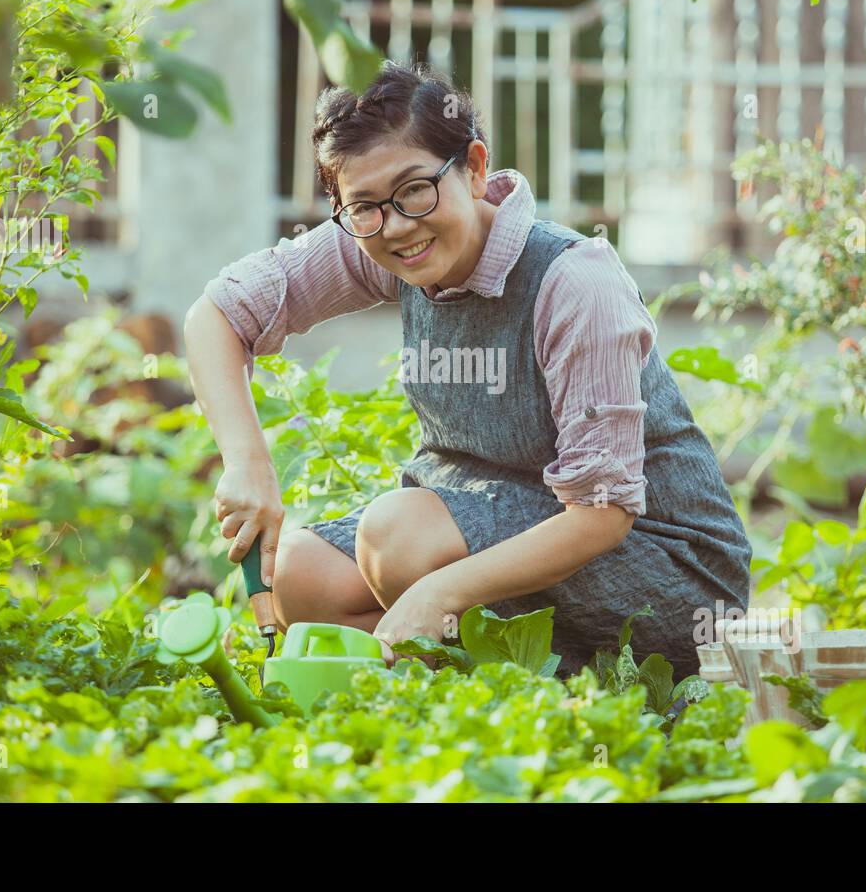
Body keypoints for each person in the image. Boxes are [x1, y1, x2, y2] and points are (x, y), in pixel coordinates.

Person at [184, 61, 752, 680]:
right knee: (301, 576)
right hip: (482, 532)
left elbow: (604, 513)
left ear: (475, 168)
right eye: (364, 208)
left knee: (398, 535)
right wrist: (247, 463)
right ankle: (486, 686)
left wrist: (439, 593)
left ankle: (569, 688)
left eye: (416, 190)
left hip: (662, 572)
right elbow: (218, 313)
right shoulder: (388, 239)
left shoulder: (573, 280)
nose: (398, 225)